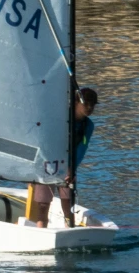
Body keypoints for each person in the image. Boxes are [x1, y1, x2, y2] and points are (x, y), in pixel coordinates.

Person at [29, 87, 99, 226]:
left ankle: (69, 229)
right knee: (43, 207)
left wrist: (71, 169)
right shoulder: (59, 118)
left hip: (67, 168)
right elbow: (43, 142)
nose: (90, 108)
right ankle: (41, 229)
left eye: (93, 105)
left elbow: (81, 149)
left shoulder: (88, 126)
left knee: (68, 206)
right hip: (46, 165)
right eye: (86, 104)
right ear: (76, 103)